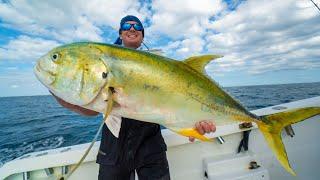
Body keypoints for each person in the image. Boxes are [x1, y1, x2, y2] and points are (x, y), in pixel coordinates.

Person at [52, 15, 216, 180]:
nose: (132, 28)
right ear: (120, 34)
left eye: (137, 27)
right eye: (126, 26)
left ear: (142, 36)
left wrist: (193, 123)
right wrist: (70, 103)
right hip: (113, 149)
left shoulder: (160, 65)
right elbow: (94, 111)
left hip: (151, 146)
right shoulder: (107, 63)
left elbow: (176, 103)